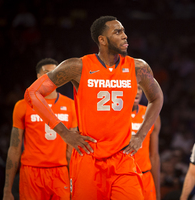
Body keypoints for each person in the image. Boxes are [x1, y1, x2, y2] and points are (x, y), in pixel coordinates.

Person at [24, 16, 163, 200]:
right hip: (88, 157)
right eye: (117, 32)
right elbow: (32, 93)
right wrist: (65, 133)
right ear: (102, 39)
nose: (125, 36)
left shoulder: (138, 67)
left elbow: (157, 97)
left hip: (123, 157)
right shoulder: (78, 66)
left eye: (123, 31)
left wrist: (140, 136)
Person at [3, 58, 77, 200]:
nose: (52, 77)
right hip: (31, 172)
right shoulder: (22, 105)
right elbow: (14, 148)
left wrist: (75, 182)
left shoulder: (71, 105)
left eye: (56, 73)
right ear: (38, 76)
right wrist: (7, 188)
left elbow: (71, 152)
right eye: (47, 73)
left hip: (60, 172)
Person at [131, 85, 161, 200]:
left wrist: (157, 192)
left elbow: (154, 156)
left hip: (146, 177)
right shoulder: (115, 115)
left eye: (139, 88)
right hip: (124, 177)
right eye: (133, 87)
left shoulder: (152, 115)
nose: (137, 92)